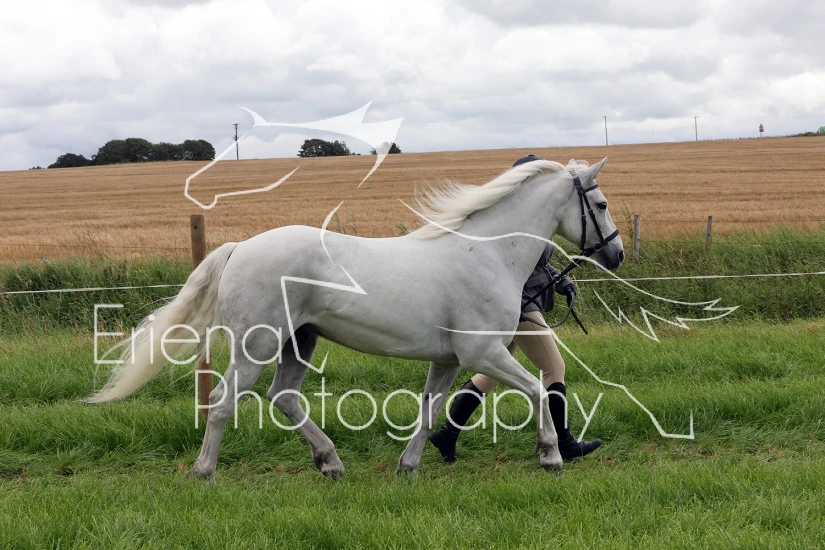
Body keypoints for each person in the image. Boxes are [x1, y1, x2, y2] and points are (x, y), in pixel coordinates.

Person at [428, 154, 603, 463]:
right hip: (519, 303)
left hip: (521, 300)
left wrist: (560, 281)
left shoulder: (528, 218)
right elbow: (517, 266)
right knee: (554, 368)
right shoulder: (519, 222)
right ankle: (564, 443)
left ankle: (447, 434)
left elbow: (536, 264)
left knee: (491, 374)